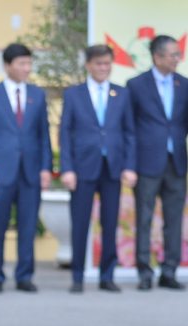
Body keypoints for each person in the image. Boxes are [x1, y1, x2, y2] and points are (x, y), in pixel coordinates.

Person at [59, 44, 137, 294]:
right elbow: (65, 133)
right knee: (80, 223)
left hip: (112, 167)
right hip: (82, 168)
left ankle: (107, 275)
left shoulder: (121, 94)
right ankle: (78, 277)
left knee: (110, 223)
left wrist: (130, 166)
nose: (103, 68)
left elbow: (129, 133)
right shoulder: (74, 94)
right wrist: (67, 168)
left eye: (107, 64)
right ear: (88, 65)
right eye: (98, 64)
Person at [0, 43, 52, 293]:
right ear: (8, 65)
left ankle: (24, 275)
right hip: (0, 171)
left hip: (30, 171)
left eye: (29, 63)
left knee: (28, 226)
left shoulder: (37, 95)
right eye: (21, 64)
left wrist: (45, 168)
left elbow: (43, 135)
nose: (26, 68)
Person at [126, 34, 188, 291]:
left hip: (176, 163)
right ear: (157, 57)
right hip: (146, 163)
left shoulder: (184, 84)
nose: (178, 58)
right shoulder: (136, 85)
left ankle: (169, 271)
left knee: (174, 219)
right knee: (144, 218)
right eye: (173, 54)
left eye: (178, 54)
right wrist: (129, 164)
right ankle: (144, 272)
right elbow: (128, 128)